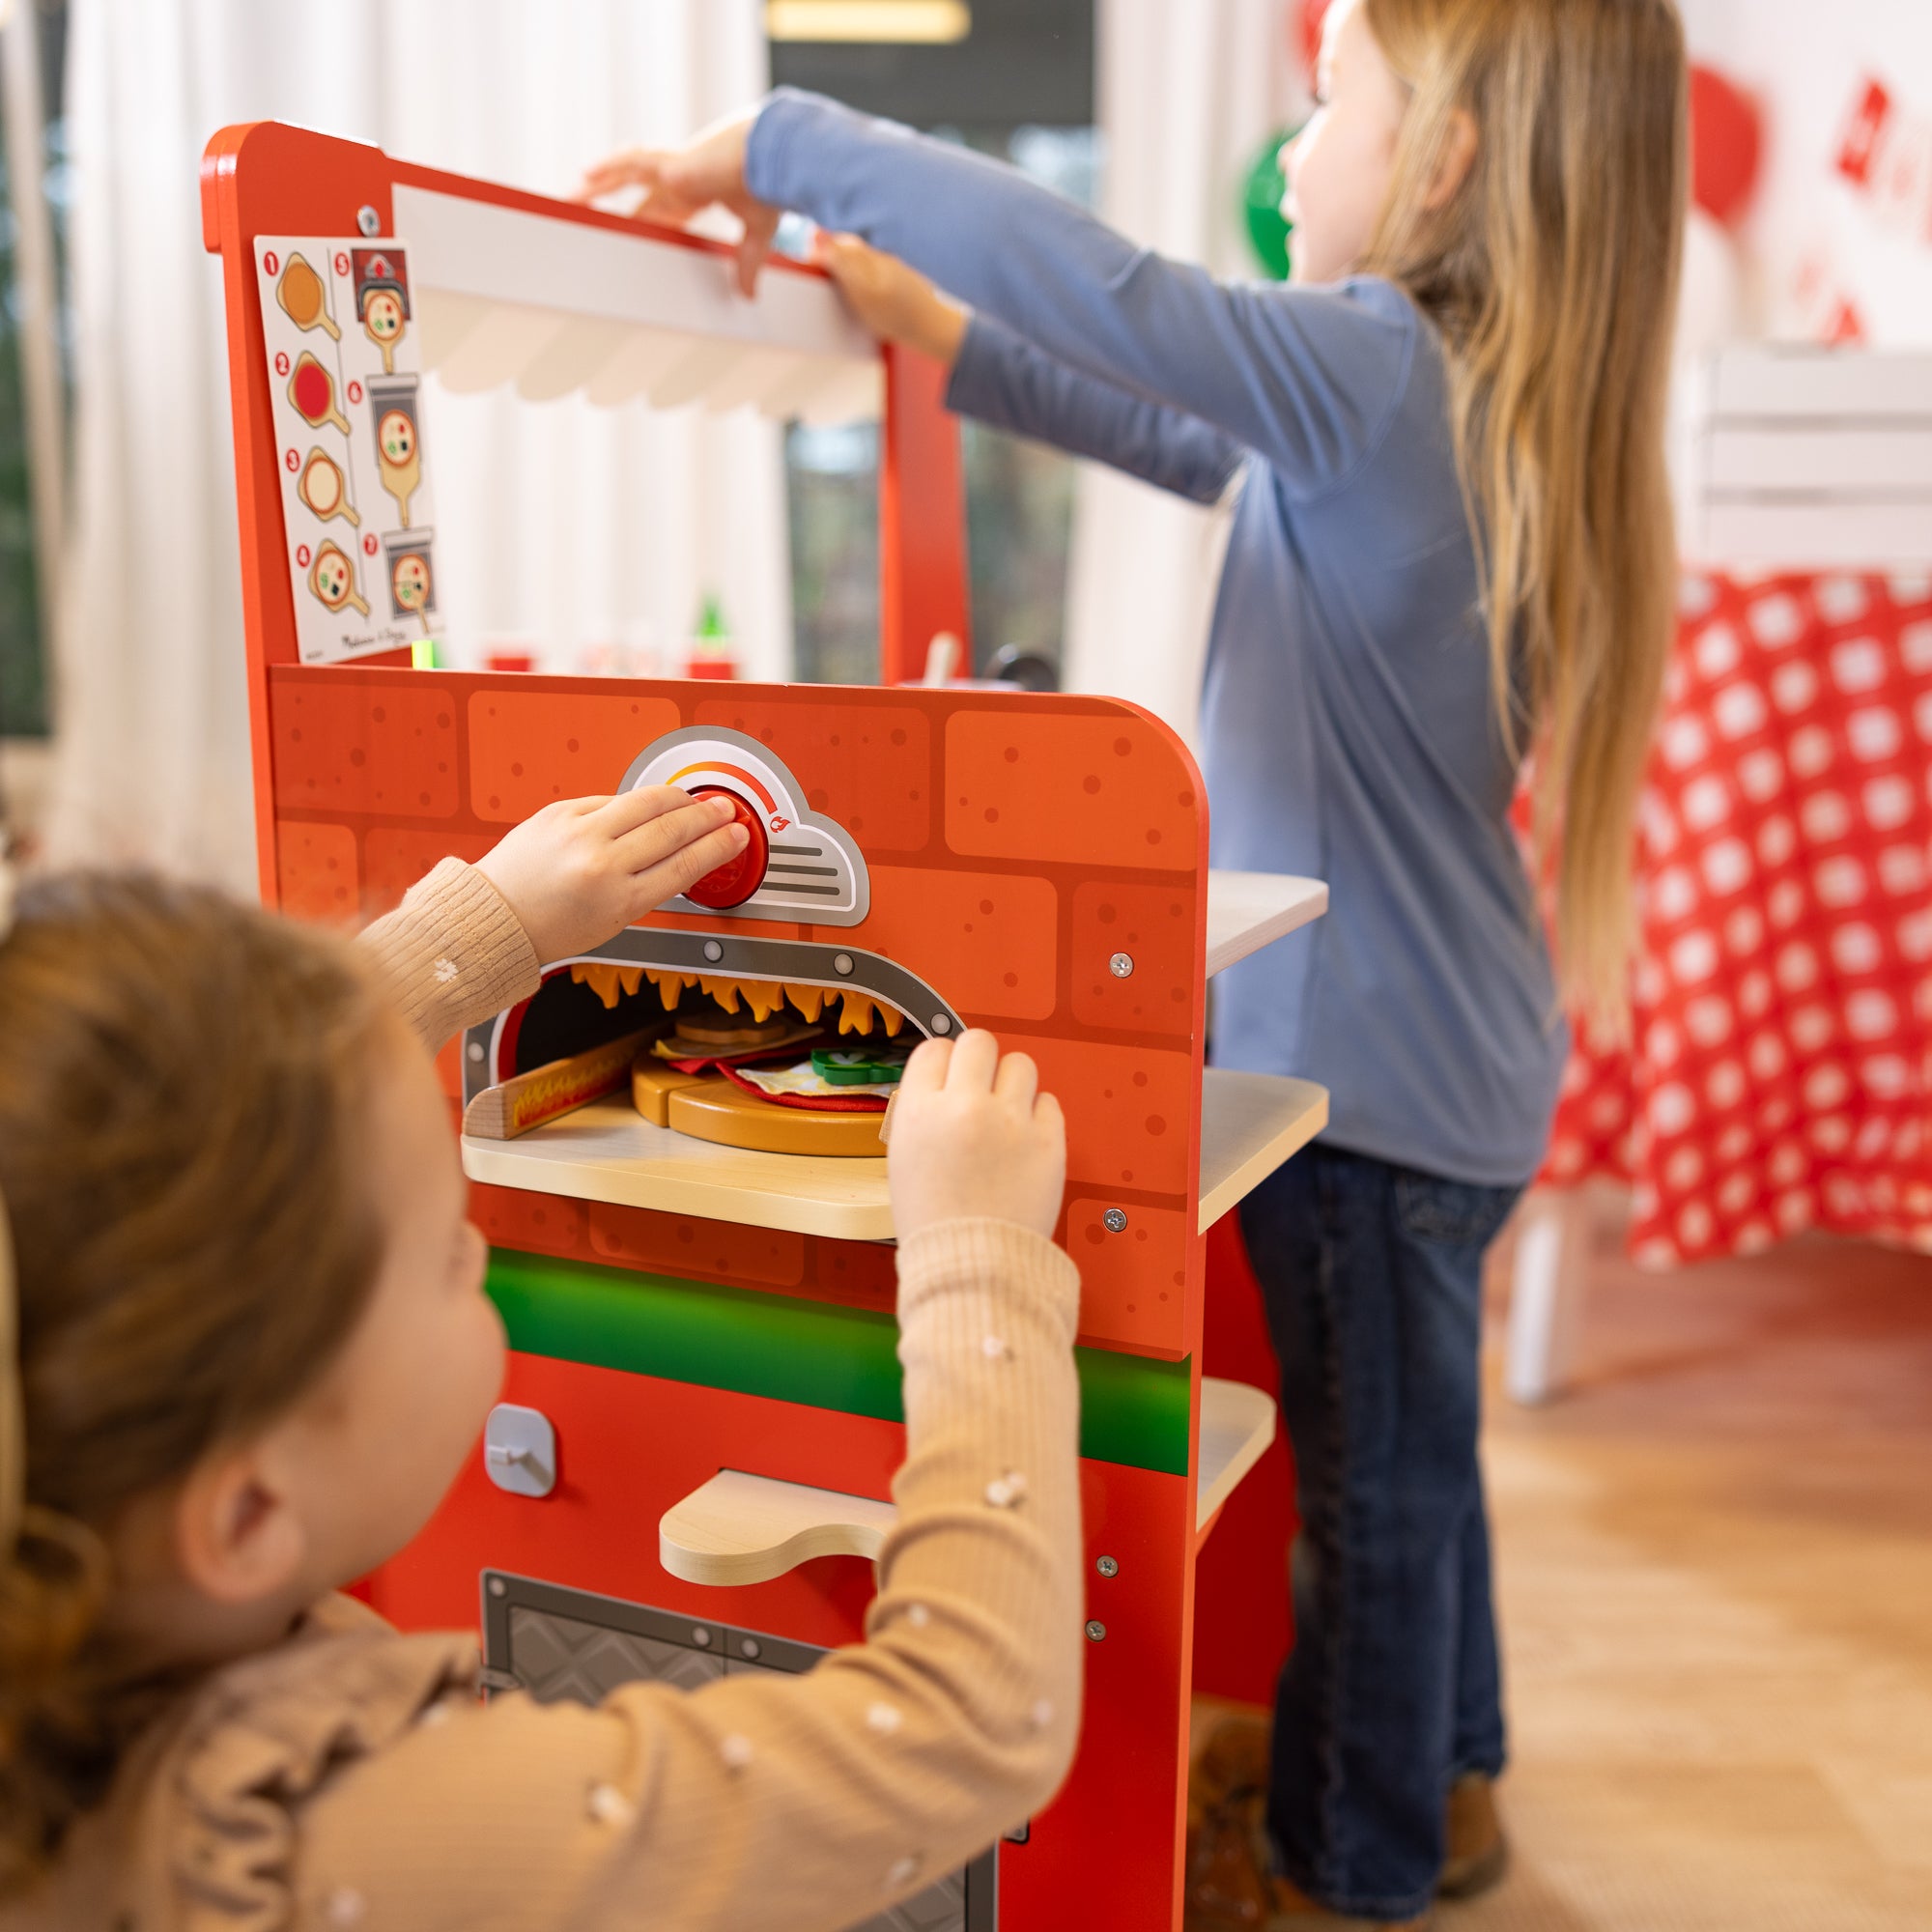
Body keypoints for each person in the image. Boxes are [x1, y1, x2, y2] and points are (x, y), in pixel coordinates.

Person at [581, 1, 1687, 1924]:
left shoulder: (1374, 370)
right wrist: (935, 339)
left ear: (1441, 162)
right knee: (1415, 1468)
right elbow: (1160, 416)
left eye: (1326, 105)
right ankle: (1450, 1780)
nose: (1290, 155)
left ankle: (1351, 1868)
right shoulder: (1455, 400)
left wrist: (780, 140)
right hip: (1445, 1069)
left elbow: (1114, 294)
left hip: (1374, 1089)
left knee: (1377, 1502)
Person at [0, 783, 1083, 1929]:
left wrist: (481, 933)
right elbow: (965, 1725)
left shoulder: (80, 1541)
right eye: (445, 1253)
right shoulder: (360, 1841)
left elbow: (153, 1152)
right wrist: (980, 1257)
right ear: (248, 1519)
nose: (474, 1241)